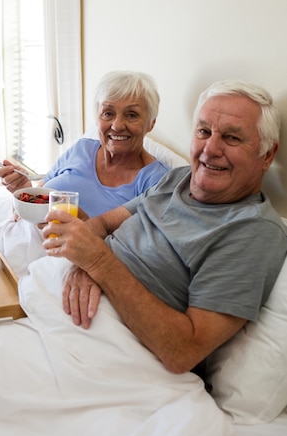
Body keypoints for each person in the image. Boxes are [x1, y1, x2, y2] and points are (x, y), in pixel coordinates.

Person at [41, 80, 287, 375]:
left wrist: (97, 263)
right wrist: (84, 266)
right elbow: (105, 223)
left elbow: (184, 352)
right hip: (65, 303)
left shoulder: (252, 231)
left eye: (232, 138)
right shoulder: (179, 178)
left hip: (112, 349)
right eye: (204, 132)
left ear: (267, 155)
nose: (210, 149)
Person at [0, 71, 170, 217]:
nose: (117, 126)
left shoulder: (158, 182)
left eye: (131, 115)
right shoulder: (82, 149)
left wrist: (86, 227)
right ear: (96, 117)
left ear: (151, 123)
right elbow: (41, 191)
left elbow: (139, 249)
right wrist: (25, 191)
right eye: (108, 113)